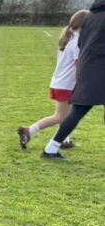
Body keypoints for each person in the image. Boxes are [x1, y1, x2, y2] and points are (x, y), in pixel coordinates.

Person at [41, 0, 105, 160]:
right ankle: (51, 149)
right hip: (99, 71)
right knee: (76, 112)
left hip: (87, 70)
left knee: (77, 111)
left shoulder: (90, 17)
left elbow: (81, 44)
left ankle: (51, 148)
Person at [17, 9, 85, 152]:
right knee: (59, 116)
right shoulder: (77, 41)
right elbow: (79, 65)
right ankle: (28, 130)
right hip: (66, 84)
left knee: (68, 114)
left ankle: (64, 140)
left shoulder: (69, 37)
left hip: (60, 82)